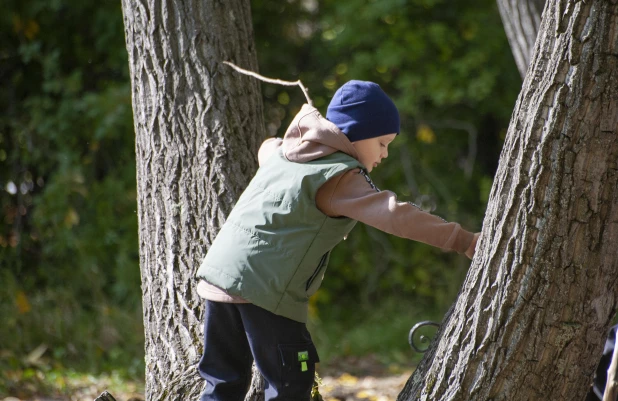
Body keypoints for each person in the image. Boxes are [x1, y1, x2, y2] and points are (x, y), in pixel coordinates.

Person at [195, 80, 481, 401]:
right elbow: (396, 215)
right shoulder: (339, 176)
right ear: (357, 134)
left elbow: (267, 145)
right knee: (290, 386)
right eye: (382, 143)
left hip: (218, 281)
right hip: (266, 291)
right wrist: (464, 240)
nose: (385, 154)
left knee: (223, 383)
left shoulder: (285, 153)